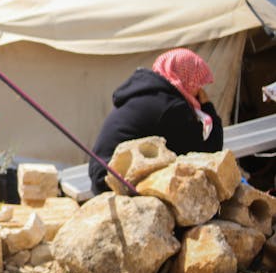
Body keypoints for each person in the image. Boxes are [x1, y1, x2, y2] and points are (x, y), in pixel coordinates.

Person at [89, 47, 224, 194]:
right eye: (198, 85)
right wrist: (207, 106)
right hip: (113, 179)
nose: (200, 91)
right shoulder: (171, 107)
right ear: (187, 81)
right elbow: (209, 151)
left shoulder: (149, 93)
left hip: (99, 172)